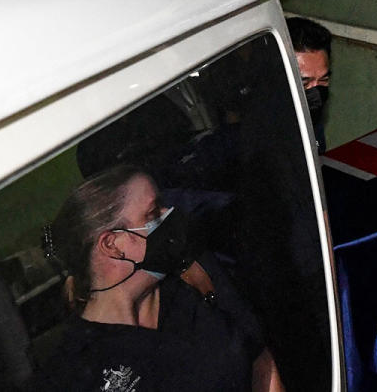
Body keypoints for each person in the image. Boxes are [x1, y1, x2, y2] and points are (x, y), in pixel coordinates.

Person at [34, 166, 284, 391]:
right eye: (153, 214)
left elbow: (261, 362)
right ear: (113, 245)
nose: (169, 215)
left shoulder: (194, 277)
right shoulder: (77, 367)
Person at [287, 17, 332, 153]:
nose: (316, 93)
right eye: (305, 83)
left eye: (323, 80)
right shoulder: (260, 135)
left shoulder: (311, 115)